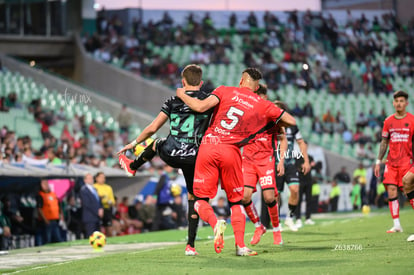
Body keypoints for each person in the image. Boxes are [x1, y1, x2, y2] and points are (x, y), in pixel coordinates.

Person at [176, 67, 296, 256]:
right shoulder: (262, 104)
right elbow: (290, 121)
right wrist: (267, 123)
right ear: (257, 87)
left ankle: (216, 224)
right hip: (231, 151)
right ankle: (241, 246)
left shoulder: (224, 90)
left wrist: (181, 94)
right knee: (237, 202)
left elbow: (199, 107)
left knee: (199, 201)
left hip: (209, 145)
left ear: (241, 80)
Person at [117, 64, 213, 256]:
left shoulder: (173, 100)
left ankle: (133, 166)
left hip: (173, 153)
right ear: (201, 83)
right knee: (195, 199)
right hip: (195, 156)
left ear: (182, 81)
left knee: (156, 142)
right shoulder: (209, 101)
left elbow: (152, 128)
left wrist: (133, 143)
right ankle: (191, 245)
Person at [241, 84, 287, 245]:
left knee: (269, 197)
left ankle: (276, 229)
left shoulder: (273, 116)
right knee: (244, 196)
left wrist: (281, 160)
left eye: (259, 96)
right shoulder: (245, 114)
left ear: (265, 98)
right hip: (247, 161)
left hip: (265, 161)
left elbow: (283, 139)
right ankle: (258, 226)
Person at [374, 91, 414, 233]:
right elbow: (384, 141)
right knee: (391, 191)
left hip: (406, 162)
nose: (399, 103)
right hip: (391, 163)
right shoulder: (388, 121)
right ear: (393, 103)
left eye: (402, 101)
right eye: (396, 101)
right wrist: (378, 161)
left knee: (409, 193)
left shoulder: (412, 120)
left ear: (406, 103)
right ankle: (397, 224)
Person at [274, 101, 311, 231]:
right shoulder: (270, 124)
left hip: (289, 163)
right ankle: (276, 221)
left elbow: (301, 143)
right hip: (275, 163)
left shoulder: (292, 125)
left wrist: (306, 161)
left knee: (295, 190)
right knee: (275, 195)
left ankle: (289, 218)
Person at [35, 179, 63, 246]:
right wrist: (45, 219)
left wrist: (61, 215)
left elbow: (58, 206)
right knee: (47, 239)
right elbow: (39, 209)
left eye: (46, 183)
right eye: (44, 184)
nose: (46, 185)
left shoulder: (53, 194)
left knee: (58, 238)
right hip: (47, 220)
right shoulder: (40, 195)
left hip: (55, 220)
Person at [79, 173, 103, 238]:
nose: (91, 180)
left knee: (98, 236)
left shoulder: (94, 189)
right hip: (89, 217)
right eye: (89, 178)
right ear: (85, 180)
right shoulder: (84, 190)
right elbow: (87, 203)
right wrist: (97, 211)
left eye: (91, 178)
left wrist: (101, 208)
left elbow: (98, 201)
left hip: (96, 217)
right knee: (91, 236)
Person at [93, 172, 115, 236]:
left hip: (107, 209)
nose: (103, 179)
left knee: (109, 228)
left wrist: (107, 201)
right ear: (96, 178)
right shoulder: (94, 187)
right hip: (98, 210)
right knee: (99, 229)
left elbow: (112, 200)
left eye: (104, 177)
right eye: (101, 177)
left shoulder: (108, 187)